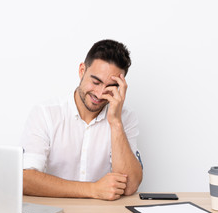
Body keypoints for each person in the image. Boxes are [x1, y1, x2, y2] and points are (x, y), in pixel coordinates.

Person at [20, 39, 143, 200]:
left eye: (110, 87)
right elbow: (26, 179)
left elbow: (130, 186)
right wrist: (92, 189)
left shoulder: (125, 118)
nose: (100, 94)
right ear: (82, 70)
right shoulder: (45, 114)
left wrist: (115, 123)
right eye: (96, 82)